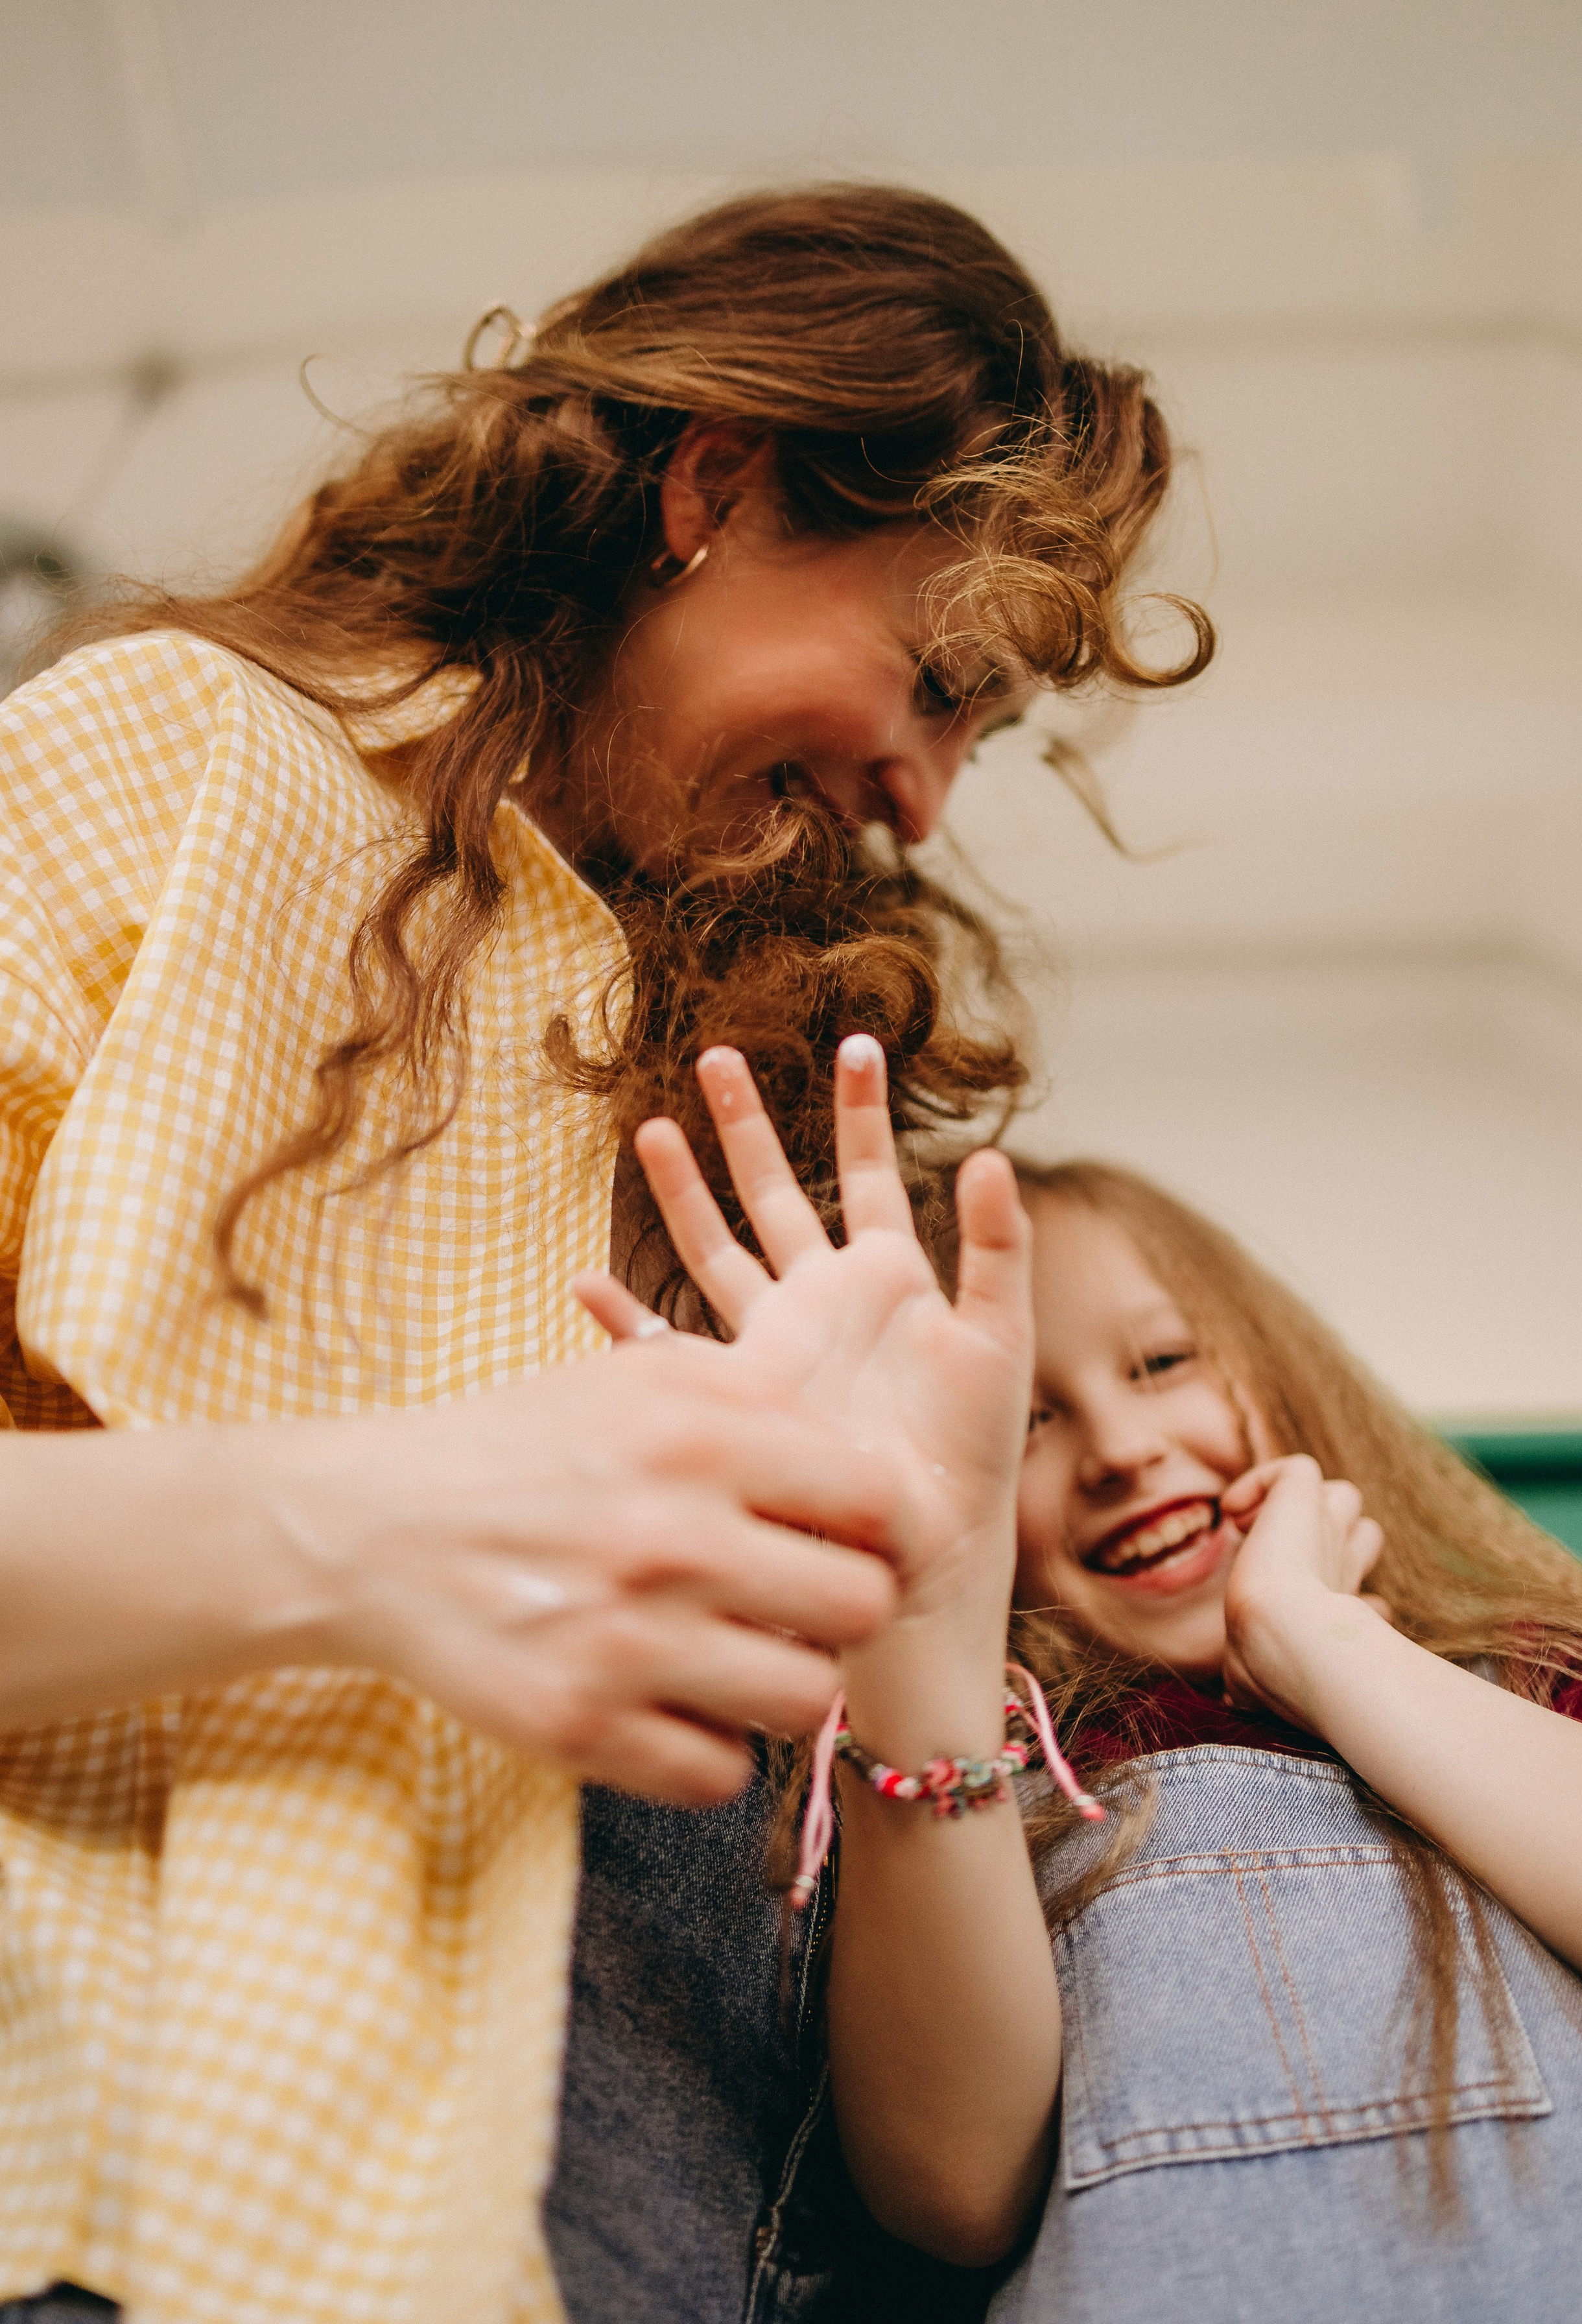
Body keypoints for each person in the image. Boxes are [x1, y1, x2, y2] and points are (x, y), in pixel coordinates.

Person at [0, 187, 1207, 2322]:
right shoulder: (159, 764)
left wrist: (935, 1619)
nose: (925, 796)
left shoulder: (787, 1146)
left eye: (979, 739)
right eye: (933, 675)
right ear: (714, 485)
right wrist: (358, 1525)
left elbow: (957, 2172)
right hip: (107, 2196)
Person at [615, 1100, 1582, 2321]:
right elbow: (956, 2189)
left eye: (1162, 1364)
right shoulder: (967, 1773)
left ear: (1283, 1368)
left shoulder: (1545, 1680)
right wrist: (919, 1629)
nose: (1119, 1447)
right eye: (1025, 1423)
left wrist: (1328, 1646)